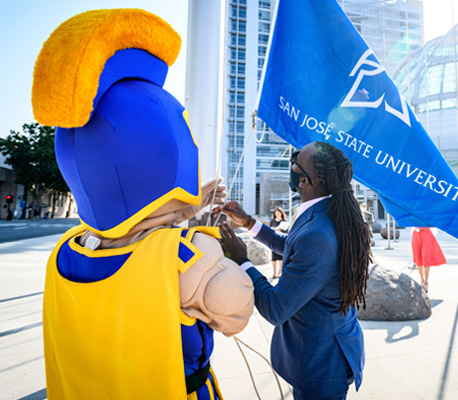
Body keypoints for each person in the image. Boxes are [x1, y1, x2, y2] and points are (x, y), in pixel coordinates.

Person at [32, 10, 254, 399]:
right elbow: (235, 310)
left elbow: (139, 225)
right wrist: (225, 249)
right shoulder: (187, 257)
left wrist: (186, 207)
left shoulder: (64, 253)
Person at [217, 141, 370, 400]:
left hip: (322, 364)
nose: (292, 163)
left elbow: (276, 308)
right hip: (321, 352)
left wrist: (243, 260)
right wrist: (249, 223)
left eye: (295, 163)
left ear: (305, 182)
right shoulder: (323, 210)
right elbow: (293, 247)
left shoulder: (319, 233)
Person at [411, 227, 446, 292]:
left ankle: (426, 281)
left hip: (426, 233)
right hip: (416, 233)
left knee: (426, 258)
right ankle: (422, 280)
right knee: (418, 259)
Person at [269, 206, 289, 278]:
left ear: (281, 213)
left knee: (280, 258)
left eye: (278, 213)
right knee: (274, 258)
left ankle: (279, 273)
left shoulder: (284, 222)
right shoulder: (272, 221)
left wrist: (280, 231)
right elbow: (269, 230)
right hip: (273, 240)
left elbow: (286, 232)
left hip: (281, 240)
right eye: (276, 213)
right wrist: (272, 229)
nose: (277, 214)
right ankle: (274, 273)